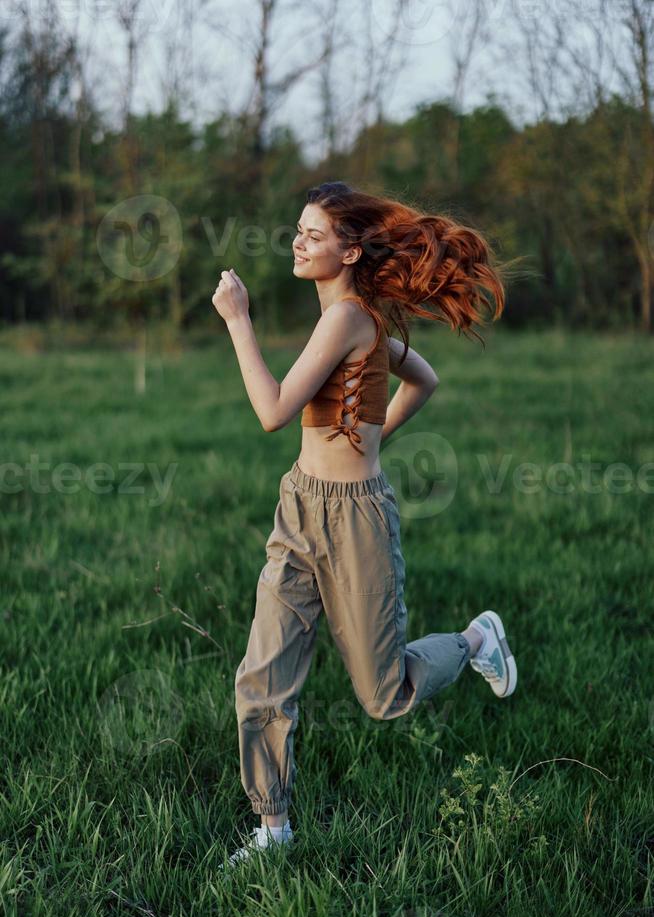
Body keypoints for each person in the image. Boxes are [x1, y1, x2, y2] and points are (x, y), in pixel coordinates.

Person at [211, 181, 518, 870]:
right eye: (298, 230)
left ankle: (474, 641)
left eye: (312, 234)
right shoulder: (358, 320)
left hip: (355, 526)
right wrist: (370, 443)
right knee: (262, 676)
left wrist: (237, 320)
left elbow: (271, 411)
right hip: (301, 508)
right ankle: (272, 830)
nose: (297, 241)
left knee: (384, 697)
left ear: (349, 251)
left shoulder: (348, 318)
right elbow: (425, 379)